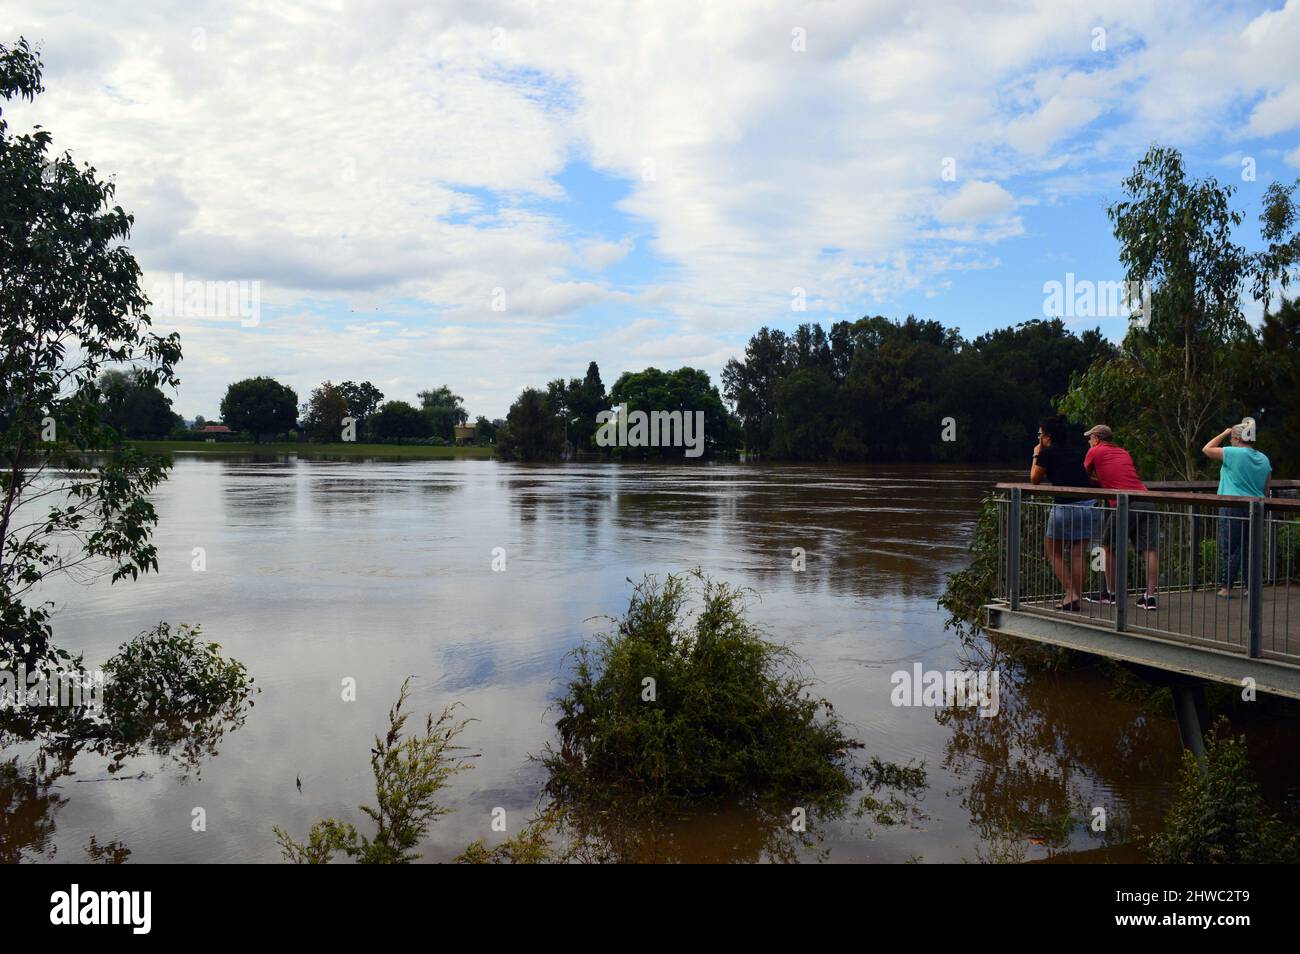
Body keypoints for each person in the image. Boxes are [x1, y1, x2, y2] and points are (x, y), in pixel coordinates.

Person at [1083, 424, 1160, 611]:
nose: (1088, 442)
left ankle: (1111, 594)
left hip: (1126, 503)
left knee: (1108, 548)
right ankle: (1150, 598)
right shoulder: (1123, 452)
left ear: (1097, 438)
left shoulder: (1095, 451)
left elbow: (1081, 476)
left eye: (1090, 438)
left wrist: (1098, 483)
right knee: (1149, 550)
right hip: (1147, 500)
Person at [1030, 414, 1098, 611]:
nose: (1039, 439)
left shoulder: (1046, 453)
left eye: (1040, 435)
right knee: (1078, 554)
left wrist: (1036, 453)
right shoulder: (1076, 452)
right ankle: (1075, 598)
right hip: (1088, 506)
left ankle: (1071, 592)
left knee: (1054, 553)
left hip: (1064, 508)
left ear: (1048, 437)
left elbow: (1034, 479)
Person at [1202, 419, 1272, 598]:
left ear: (1236, 438)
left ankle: (1226, 588)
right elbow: (1266, 489)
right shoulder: (1264, 458)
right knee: (1252, 549)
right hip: (1257, 507)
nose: (1230, 441)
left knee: (1231, 548)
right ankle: (1252, 588)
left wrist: (1225, 432)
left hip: (1232, 506)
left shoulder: (1234, 453)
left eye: (1232, 438)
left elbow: (1207, 449)